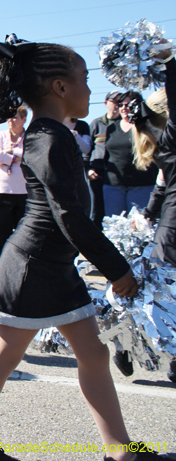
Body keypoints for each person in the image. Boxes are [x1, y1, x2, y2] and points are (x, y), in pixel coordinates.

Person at [0, 36, 163, 461]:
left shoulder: (53, 133)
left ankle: (120, 451)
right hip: (32, 267)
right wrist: (117, 270)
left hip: (53, 264)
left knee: (93, 353)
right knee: (4, 356)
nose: (90, 88)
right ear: (60, 87)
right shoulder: (48, 138)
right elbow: (69, 216)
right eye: (84, 78)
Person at [112, 56, 176, 384]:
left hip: (168, 226)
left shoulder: (163, 143)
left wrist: (147, 215)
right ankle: (124, 341)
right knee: (160, 293)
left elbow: (161, 185)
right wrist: (170, 64)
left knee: (154, 291)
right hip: (173, 229)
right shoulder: (171, 139)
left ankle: (124, 341)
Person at [93, 91, 158, 217]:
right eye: (120, 105)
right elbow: (105, 155)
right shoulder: (111, 128)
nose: (123, 108)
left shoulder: (147, 126)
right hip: (114, 186)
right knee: (114, 225)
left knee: (139, 225)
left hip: (142, 185)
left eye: (128, 105)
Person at [0, 106, 28, 265]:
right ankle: (2, 261)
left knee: (22, 229)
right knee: (2, 229)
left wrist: (10, 153)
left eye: (15, 117)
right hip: (1, 191)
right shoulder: (1, 135)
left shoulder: (29, 137)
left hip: (24, 191)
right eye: (9, 117)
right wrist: (16, 157)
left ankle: (20, 261)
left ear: (24, 119)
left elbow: (29, 156)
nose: (11, 120)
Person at [87, 91, 122, 226]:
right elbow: (87, 150)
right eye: (114, 101)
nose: (117, 105)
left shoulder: (124, 124)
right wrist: (88, 169)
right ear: (106, 103)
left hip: (117, 175)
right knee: (96, 210)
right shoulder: (96, 123)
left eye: (120, 102)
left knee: (115, 213)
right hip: (96, 173)